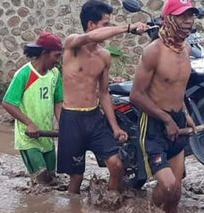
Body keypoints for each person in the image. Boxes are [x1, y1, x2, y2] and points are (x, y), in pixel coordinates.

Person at [57, 0, 148, 194]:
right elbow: (89, 37)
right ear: (91, 25)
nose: (109, 28)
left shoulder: (104, 56)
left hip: (94, 117)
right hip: (71, 119)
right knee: (76, 178)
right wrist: (128, 28)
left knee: (116, 166)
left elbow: (104, 93)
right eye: (105, 24)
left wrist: (115, 127)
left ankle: (109, 203)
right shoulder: (72, 45)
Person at [129, 0, 198, 213]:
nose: (188, 22)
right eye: (182, 17)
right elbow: (136, 95)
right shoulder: (153, 51)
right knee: (167, 185)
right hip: (154, 124)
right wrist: (166, 119)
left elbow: (178, 88)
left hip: (176, 121)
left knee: (176, 191)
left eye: (191, 16)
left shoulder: (186, 49)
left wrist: (185, 115)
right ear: (169, 19)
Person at [2, 32, 63, 185]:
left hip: (46, 137)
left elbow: (58, 102)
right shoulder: (24, 74)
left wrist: (63, 125)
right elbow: (8, 103)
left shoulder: (55, 74)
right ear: (44, 53)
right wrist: (29, 123)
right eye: (56, 56)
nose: (58, 60)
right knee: (41, 181)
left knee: (52, 179)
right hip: (28, 138)